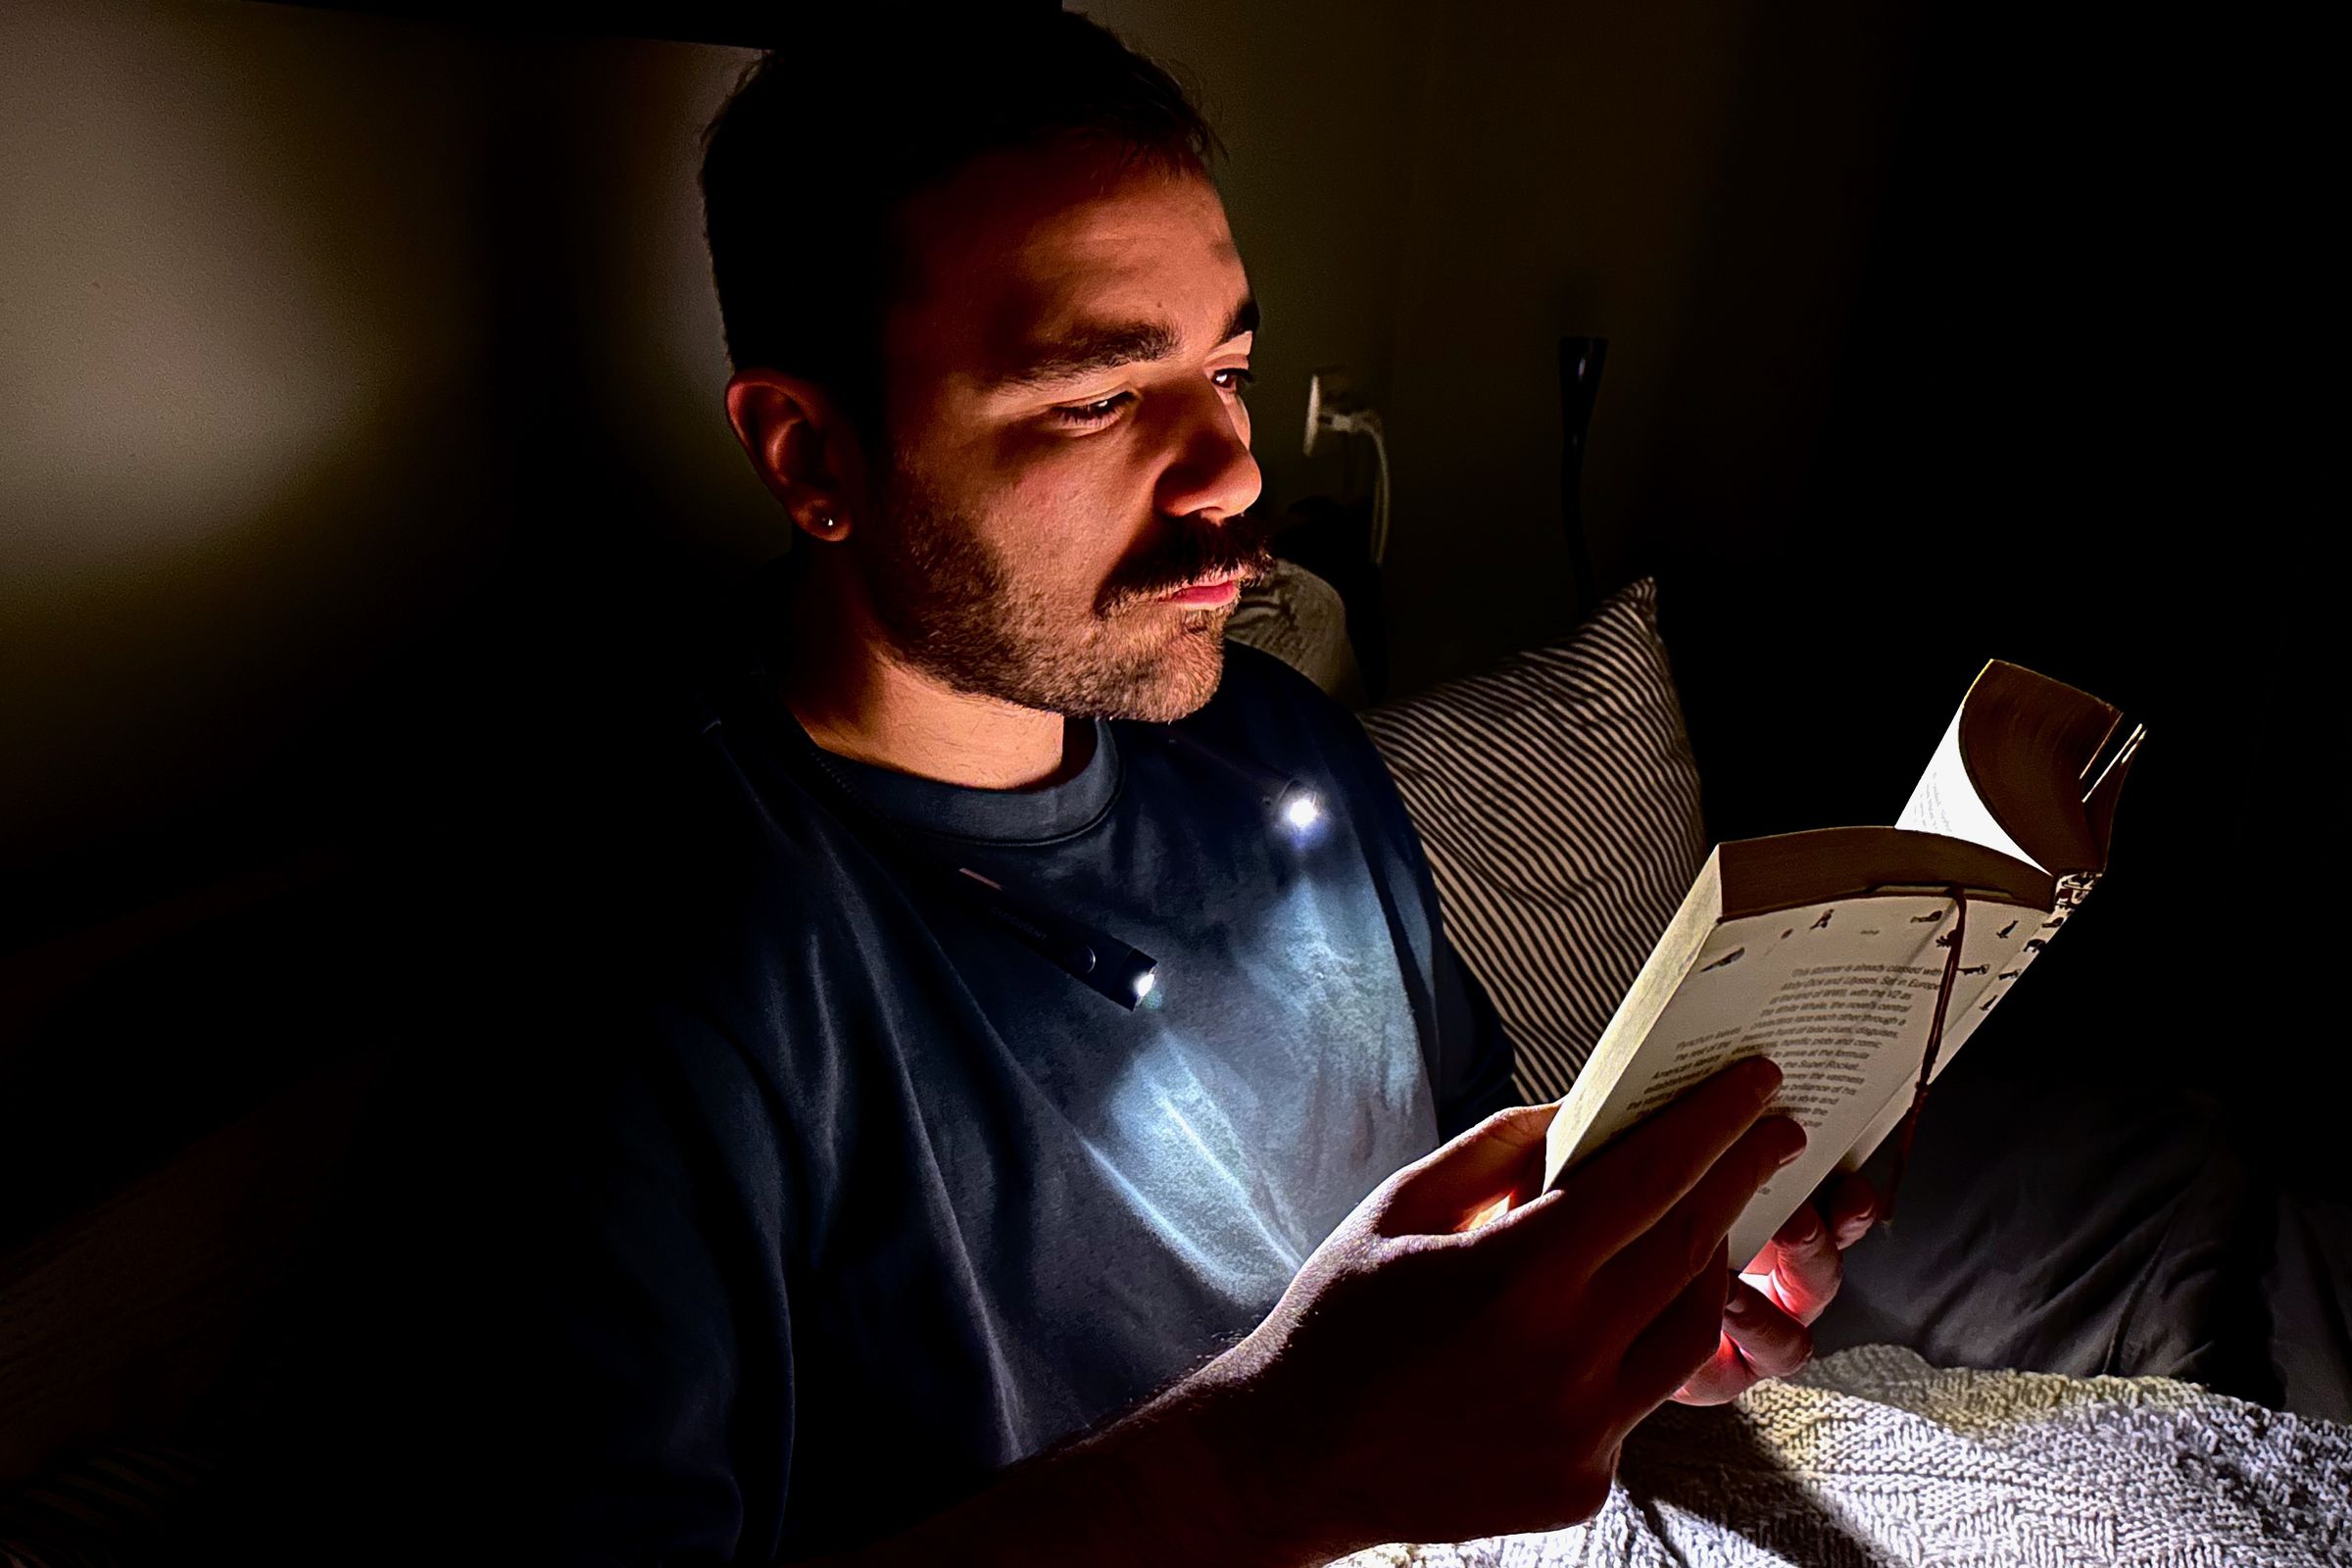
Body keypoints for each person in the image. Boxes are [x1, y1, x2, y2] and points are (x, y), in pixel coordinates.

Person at [199, 12, 1875, 1565]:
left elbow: (1472, 1246)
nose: (1233, 469)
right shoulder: (632, 984)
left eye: (1224, 368)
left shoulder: (1285, 753)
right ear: (814, 455)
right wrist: (1277, 1465)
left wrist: (1656, 1324)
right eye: (1092, 397)